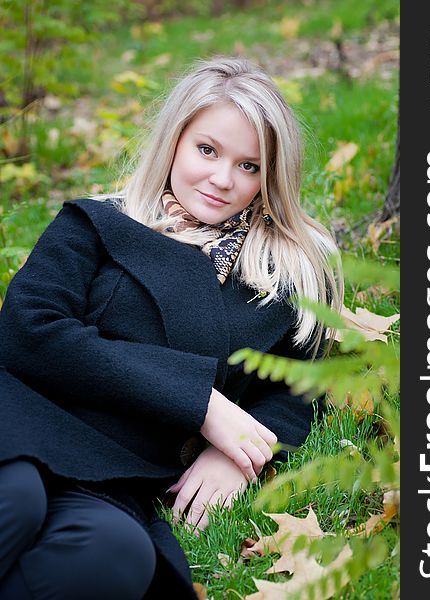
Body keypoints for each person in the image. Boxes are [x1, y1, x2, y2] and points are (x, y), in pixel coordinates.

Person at [0, 56, 343, 599]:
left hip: (116, 477)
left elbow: (300, 390)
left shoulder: (284, 273)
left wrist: (242, 451)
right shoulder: (98, 223)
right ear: (175, 141)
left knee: (115, 557)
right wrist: (202, 405)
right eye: (207, 150)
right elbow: (29, 331)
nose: (222, 179)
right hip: (23, 419)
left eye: (250, 166)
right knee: (17, 498)